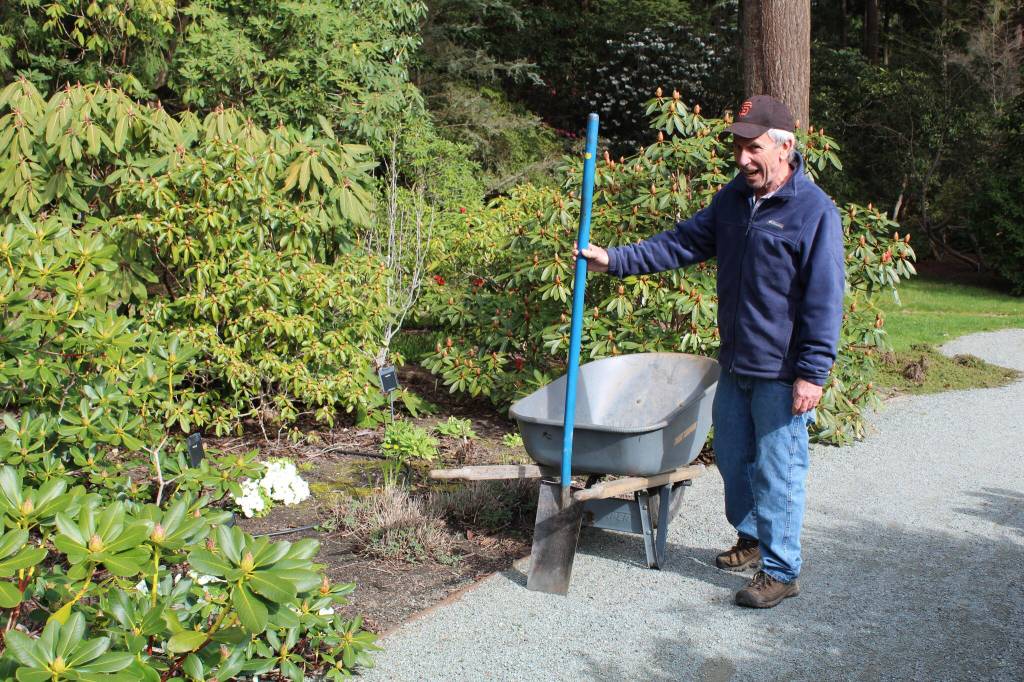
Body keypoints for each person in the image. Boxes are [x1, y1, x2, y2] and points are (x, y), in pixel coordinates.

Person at [576, 95, 845, 608]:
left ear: (786, 146)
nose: (743, 158)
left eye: (754, 147)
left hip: (784, 372)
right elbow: (680, 242)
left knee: (779, 469)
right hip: (737, 362)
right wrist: (614, 259)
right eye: (739, 147)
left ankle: (782, 569)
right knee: (735, 459)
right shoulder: (733, 201)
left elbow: (825, 297)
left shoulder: (814, 212)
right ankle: (750, 537)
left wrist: (813, 373)